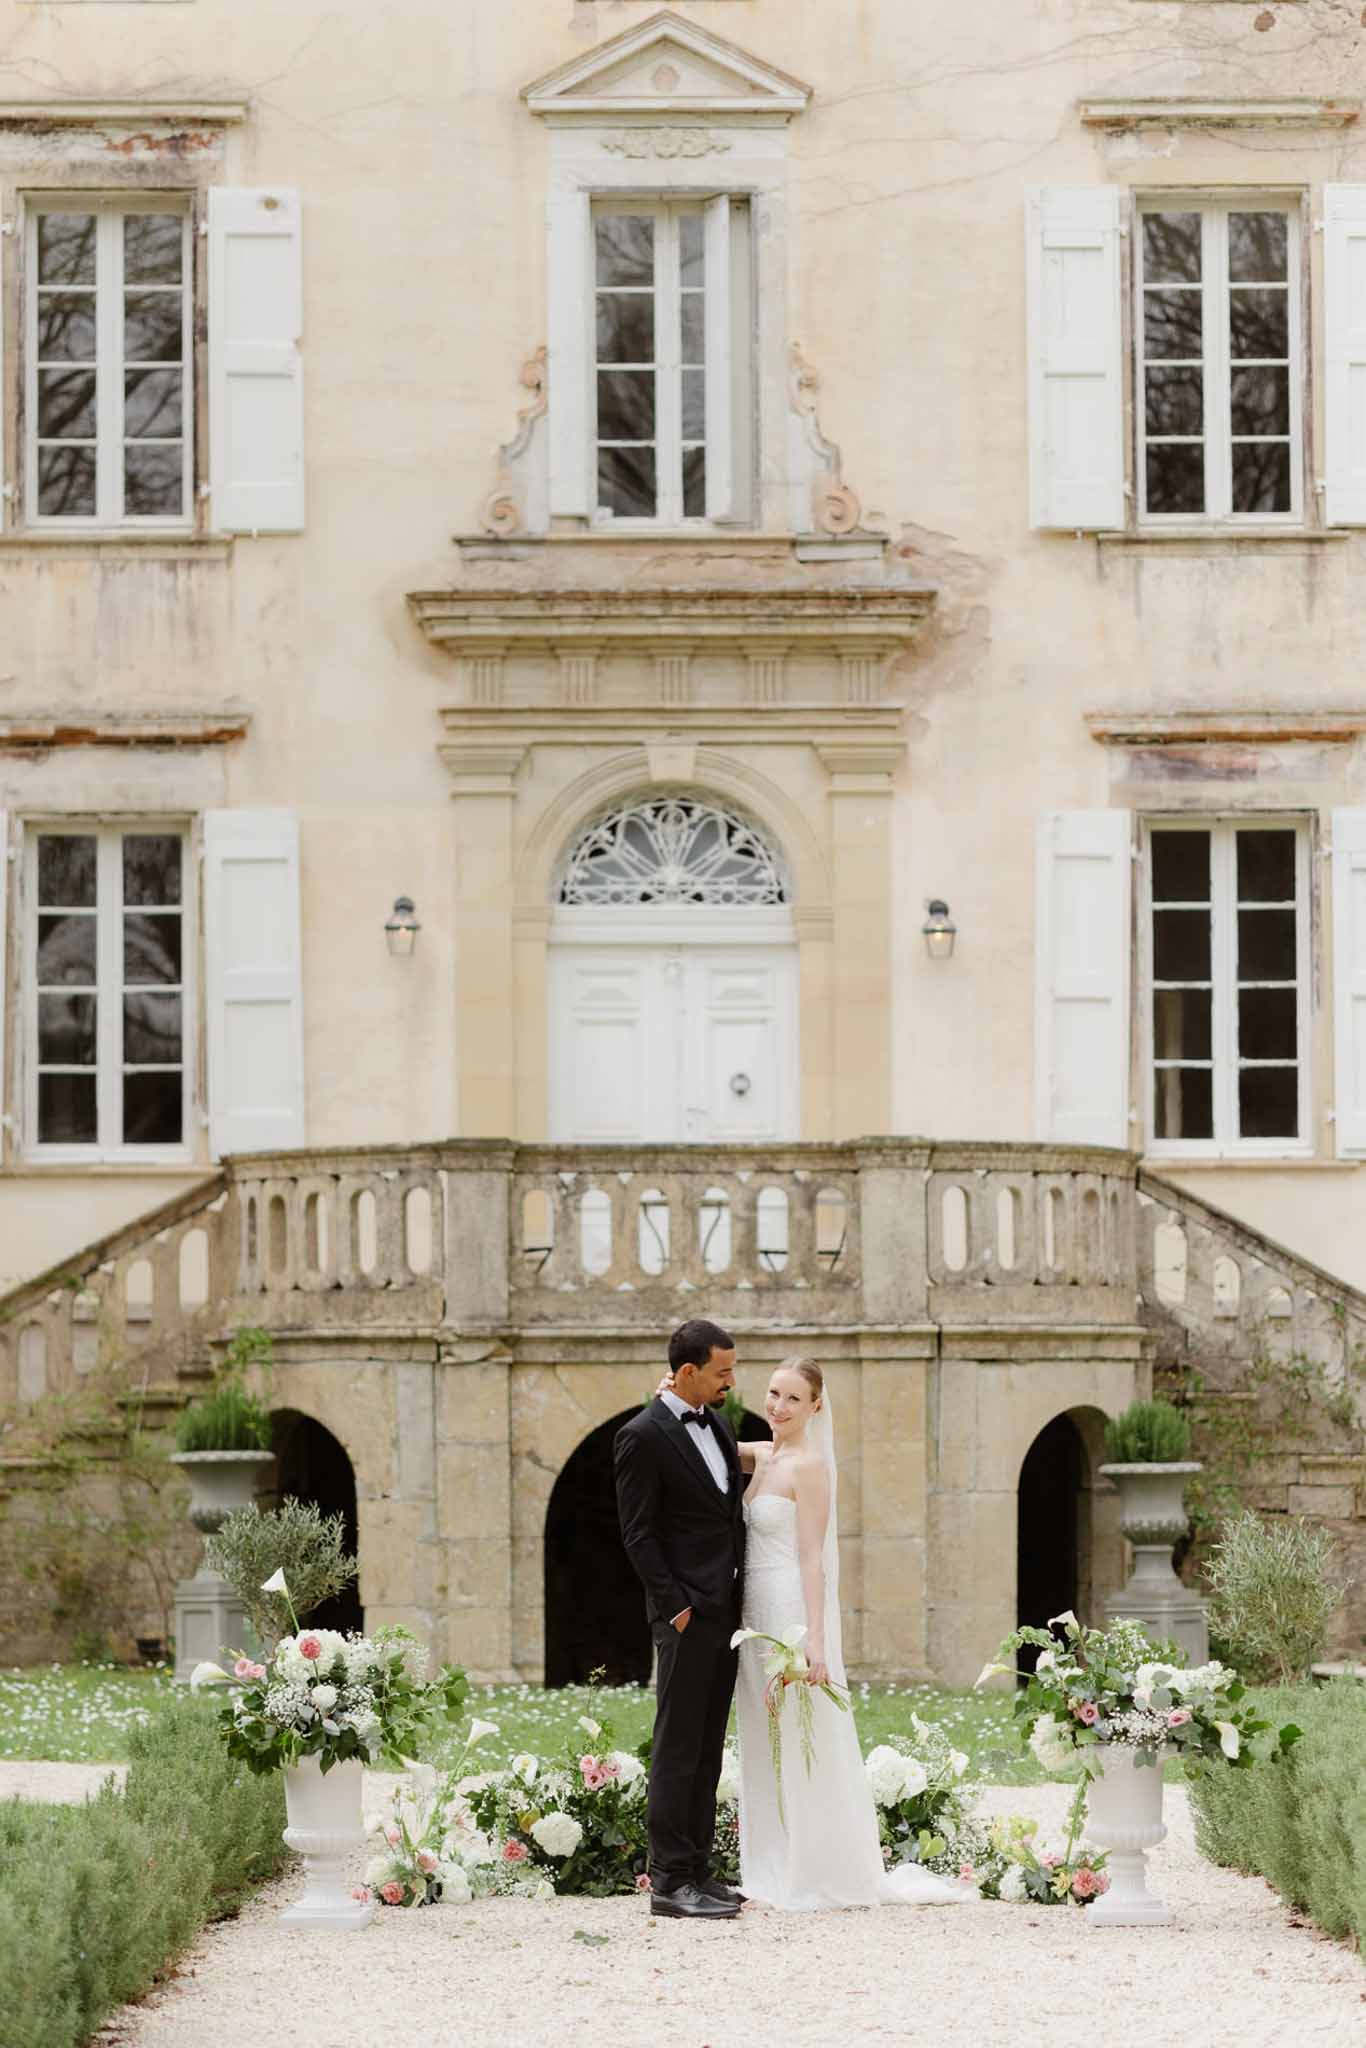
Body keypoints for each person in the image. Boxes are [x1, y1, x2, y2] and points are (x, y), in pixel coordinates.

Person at [732, 1358, 964, 1910]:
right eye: (772, 1394)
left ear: (816, 1406)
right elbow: (692, 1440)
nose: (778, 1407)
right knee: (762, 1739)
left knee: (801, 1734)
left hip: (788, 1604)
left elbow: (812, 1557)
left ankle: (813, 1869)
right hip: (751, 1615)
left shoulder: (809, 1467)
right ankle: (769, 1863)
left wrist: (814, 1637)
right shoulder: (763, 1456)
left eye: (793, 1398)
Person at [614, 1318, 747, 1920]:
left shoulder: (717, 1421)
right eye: (722, 1371)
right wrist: (679, 1609)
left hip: (729, 1613)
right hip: (688, 1618)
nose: (731, 1381)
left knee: (708, 1749)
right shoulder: (640, 1437)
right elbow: (638, 1535)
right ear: (688, 1372)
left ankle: (697, 1870)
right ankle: (667, 1881)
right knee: (676, 1747)